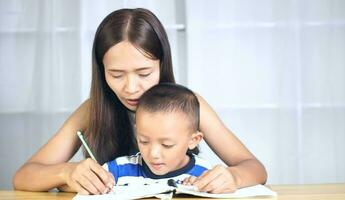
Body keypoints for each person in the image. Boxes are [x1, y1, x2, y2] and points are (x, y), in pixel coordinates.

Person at [13, 8, 267, 195]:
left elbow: (255, 169)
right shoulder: (92, 110)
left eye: (144, 73)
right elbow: (24, 176)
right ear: (101, 71)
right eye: (116, 74)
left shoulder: (189, 106)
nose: (131, 88)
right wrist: (65, 172)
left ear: (162, 64)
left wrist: (233, 176)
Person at [103, 83, 210, 187]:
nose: (153, 154)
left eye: (167, 144)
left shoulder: (204, 175)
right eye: (144, 141)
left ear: (193, 140)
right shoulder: (117, 170)